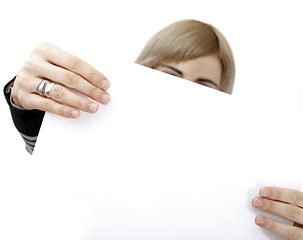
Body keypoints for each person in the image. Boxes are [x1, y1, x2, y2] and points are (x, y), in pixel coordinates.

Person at [3, 19, 302, 239]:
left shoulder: (241, 174)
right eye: (170, 75)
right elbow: (48, 156)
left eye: (204, 86)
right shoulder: (95, 132)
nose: (184, 91)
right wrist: (22, 96)